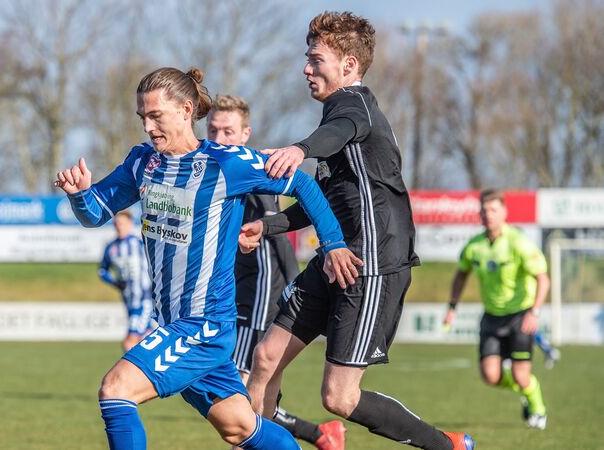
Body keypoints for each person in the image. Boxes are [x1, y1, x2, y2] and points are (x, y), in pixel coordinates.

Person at [55, 66, 363, 450]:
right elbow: (95, 212)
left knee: (116, 390)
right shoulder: (142, 162)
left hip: (203, 326)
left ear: (186, 110)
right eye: (142, 117)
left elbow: (301, 183)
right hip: (173, 323)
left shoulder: (226, 162)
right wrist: (79, 195)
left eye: (156, 115)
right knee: (240, 428)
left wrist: (333, 243)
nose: (148, 127)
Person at [238, 11, 475, 450]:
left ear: (349, 65)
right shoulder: (337, 119)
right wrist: (266, 226)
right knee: (265, 358)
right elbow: (320, 204)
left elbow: (339, 130)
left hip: (371, 263)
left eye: (316, 60)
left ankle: (447, 446)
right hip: (335, 257)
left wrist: (300, 149)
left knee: (339, 398)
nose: (306, 69)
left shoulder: (354, 105)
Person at [207, 94, 346, 449]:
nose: (219, 139)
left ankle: (306, 436)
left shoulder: (251, 174)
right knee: (242, 391)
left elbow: (276, 240)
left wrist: (286, 292)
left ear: (246, 133)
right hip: (238, 293)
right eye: (213, 130)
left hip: (258, 295)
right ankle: (319, 434)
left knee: (238, 393)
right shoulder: (214, 170)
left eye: (228, 131)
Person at [444, 189, 550, 430]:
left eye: (493, 210)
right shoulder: (474, 246)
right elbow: (461, 275)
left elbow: (543, 279)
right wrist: (452, 307)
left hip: (520, 316)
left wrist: (534, 312)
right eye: (484, 210)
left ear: (504, 212)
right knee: (490, 376)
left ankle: (537, 406)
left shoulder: (519, 242)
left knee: (522, 375)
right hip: (491, 317)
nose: (488, 215)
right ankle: (524, 388)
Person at [99, 210, 156, 352]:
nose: (119, 226)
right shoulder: (111, 248)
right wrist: (115, 283)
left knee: (129, 342)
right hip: (128, 300)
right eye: (116, 223)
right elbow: (102, 271)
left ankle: (132, 367)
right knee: (147, 338)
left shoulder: (140, 244)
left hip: (144, 299)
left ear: (130, 224)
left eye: (122, 223)